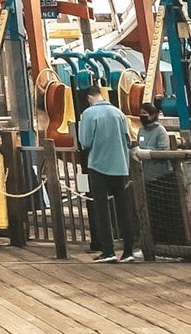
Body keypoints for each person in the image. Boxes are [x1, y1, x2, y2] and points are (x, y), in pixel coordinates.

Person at [76, 84, 137, 263]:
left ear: (88, 98)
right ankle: (128, 250)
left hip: (99, 165)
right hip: (120, 166)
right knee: (123, 209)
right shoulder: (118, 113)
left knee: (101, 209)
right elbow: (127, 138)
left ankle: (108, 250)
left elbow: (85, 141)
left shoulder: (88, 114)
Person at [135, 99, 177, 246]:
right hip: (147, 176)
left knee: (164, 208)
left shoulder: (160, 131)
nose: (142, 116)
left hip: (160, 175)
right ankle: (154, 239)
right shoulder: (141, 130)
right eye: (141, 113)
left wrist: (146, 152)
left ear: (153, 115)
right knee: (151, 209)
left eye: (145, 114)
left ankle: (169, 240)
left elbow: (163, 150)